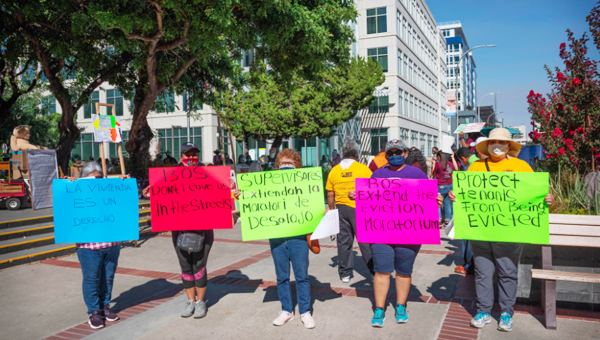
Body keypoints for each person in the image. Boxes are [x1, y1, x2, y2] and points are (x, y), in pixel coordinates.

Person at [448, 128, 553, 332]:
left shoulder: (520, 166)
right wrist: (455, 195)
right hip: (481, 231)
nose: (497, 145)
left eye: (501, 142)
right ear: (487, 145)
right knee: (483, 272)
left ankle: (506, 312)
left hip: (509, 233)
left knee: (507, 272)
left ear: (508, 146)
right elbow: (466, 194)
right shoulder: (476, 167)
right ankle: (484, 311)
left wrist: (547, 199)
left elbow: (535, 194)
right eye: (493, 141)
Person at [352, 140, 443, 327]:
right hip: (380, 232)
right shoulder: (377, 174)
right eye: (390, 152)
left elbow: (428, 198)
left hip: (410, 233)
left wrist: (437, 200)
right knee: (381, 270)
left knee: (403, 271)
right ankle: (379, 308)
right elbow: (369, 198)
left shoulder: (416, 173)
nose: (394, 155)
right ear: (385, 155)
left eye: (398, 152)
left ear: (405, 154)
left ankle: (400, 306)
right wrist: (358, 196)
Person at [143, 142, 215, 319]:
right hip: (179, 229)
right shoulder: (170, 175)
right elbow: (158, 192)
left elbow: (221, 194)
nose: (191, 158)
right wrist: (150, 192)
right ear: (181, 156)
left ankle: (200, 302)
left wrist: (231, 191)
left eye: (194, 154)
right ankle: (190, 301)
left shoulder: (208, 174)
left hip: (203, 228)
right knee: (185, 266)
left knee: (199, 265)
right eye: (187, 154)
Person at [63, 162, 129, 329]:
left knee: (108, 278)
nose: (96, 181)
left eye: (99, 177)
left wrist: (124, 183)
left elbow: (123, 201)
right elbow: (62, 200)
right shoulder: (76, 189)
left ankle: (105, 306)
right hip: (88, 246)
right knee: (92, 279)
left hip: (112, 243)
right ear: (83, 179)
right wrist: (67, 184)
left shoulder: (109, 187)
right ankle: (94, 312)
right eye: (91, 178)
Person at [267, 149, 315, 329]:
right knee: (282, 276)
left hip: (298, 236)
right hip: (277, 237)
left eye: (290, 164)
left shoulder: (305, 184)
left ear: (297, 166)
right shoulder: (268, 184)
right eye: (282, 163)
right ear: (277, 165)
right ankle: (286, 310)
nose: (286, 166)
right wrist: (241, 196)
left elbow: (313, 205)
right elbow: (255, 202)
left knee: (302, 275)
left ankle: (305, 311)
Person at [325, 140, 374, 283]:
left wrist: (333, 210)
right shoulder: (363, 169)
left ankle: (345, 273)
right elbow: (373, 188)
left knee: (343, 241)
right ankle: (373, 271)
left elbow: (330, 194)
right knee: (365, 241)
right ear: (357, 154)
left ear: (342, 154)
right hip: (360, 208)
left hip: (341, 208)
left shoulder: (334, 170)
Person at [453, 147, 474, 275]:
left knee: (467, 237)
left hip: (470, 208)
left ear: (463, 159)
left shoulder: (472, 166)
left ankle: (468, 265)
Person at [431, 151, 459, 226]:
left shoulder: (438, 164)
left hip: (440, 185)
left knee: (438, 203)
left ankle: (439, 219)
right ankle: (447, 221)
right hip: (449, 185)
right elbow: (456, 170)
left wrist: (433, 164)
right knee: (447, 204)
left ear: (439, 157)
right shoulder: (450, 163)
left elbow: (433, 174)